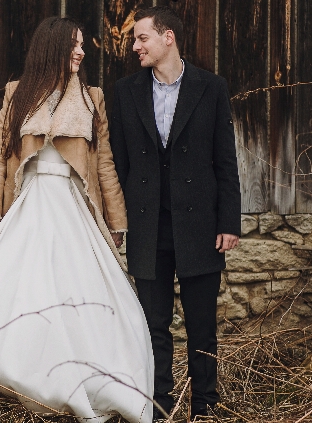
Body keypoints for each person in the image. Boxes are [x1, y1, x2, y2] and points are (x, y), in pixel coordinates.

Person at [0, 17, 154, 423]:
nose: (82, 52)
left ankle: (80, 379)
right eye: (73, 46)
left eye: (82, 45)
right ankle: (18, 377)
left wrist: (116, 222)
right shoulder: (17, 94)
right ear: (52, 49)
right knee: (15, 288)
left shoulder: (91, 96)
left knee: (83, 296)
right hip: (26, 204)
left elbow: (104, 164)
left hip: (73, 207)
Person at [109, 6, 241, 421]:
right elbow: (119, 164)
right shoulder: (124, 92)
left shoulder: (211, 87)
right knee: (154, 328)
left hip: (201, 227)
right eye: (135, 39)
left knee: (202, 328)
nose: (135, 46)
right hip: (148, 227)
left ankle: (204, 407)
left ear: (168, 38)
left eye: (142, 38)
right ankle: (159, 408)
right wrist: (118, 222)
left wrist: (228, 222)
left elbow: (225, 161)